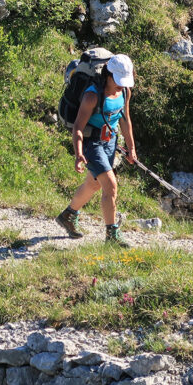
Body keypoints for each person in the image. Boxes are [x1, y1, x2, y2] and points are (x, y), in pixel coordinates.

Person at [55, 54, 137, 247]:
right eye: (117, 81)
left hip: (110, 142)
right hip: (92, 143)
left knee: (94, 184)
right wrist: (78, 154)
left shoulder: (125, 92)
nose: (121, 85)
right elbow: (77, 127)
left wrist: (131, 148)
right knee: (111, 186)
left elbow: (125, 120)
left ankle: (68, 215)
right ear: (108, 75)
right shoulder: (92, 96)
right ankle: (112, 236)